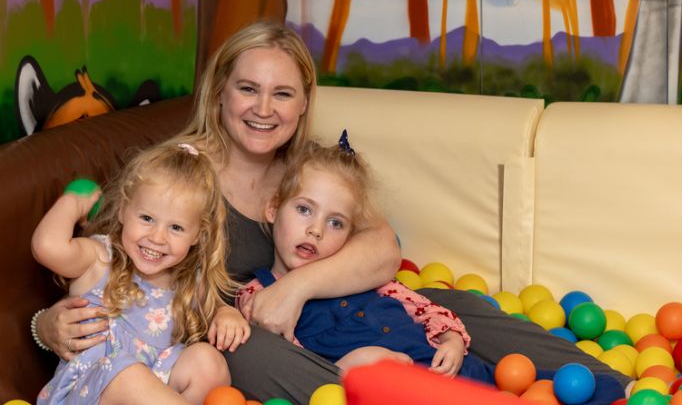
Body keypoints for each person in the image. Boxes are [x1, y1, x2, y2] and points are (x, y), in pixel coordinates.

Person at [34, 21, 630, 404]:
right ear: (219, 93)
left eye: (283, 94)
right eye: (248, 89)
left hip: (329, 311)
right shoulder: (178, 173)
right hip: (232, 330)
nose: (263, 109)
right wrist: (46, 326)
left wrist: (297, 289)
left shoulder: (308, 169)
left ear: (303, 104)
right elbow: (102, 261)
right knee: (246, 346)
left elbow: (384, 246)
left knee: (461, 304)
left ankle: (623, 387)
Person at [236, 135, 496, 384]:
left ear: (351, 234)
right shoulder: (256, 296)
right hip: (382, 391)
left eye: (335, 222)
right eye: (304, 209)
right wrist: (349, 368)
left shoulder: (363, 277)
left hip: (449, 373)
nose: (316, 230)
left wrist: (452, 340)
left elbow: (426, 310)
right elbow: (294, 370)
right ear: (273, 209)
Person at [33, 142, 250, 404]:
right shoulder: (100, 258)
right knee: (129, 375)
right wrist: (74, 202)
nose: (157, 237)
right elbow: (47, 247)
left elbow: (212, 307)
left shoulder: (188, 282)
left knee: (208, 362)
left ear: (198, 235)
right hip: (91, 390)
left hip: (154, 388)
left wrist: (226, 312)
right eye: (147, 218)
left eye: (176, 228)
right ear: (124, 210)